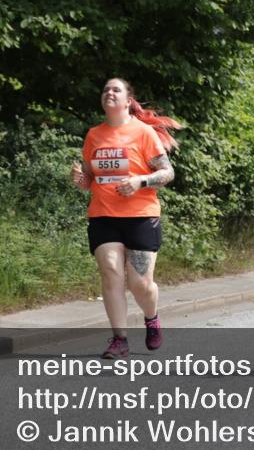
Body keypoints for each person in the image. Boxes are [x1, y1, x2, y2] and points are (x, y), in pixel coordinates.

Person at [70, 78, 180, 359]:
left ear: (128, 100)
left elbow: (167, 173)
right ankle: (119, 339)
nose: (109, 93)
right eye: (105, 89)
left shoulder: (143, 133)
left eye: (115, 89)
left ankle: (151, 317)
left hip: (140, 216)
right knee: (111, 274)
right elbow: (89, 178)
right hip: (103, 215)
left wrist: (140, 181)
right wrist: (80, 179)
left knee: (139, 284)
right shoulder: (94, 134)